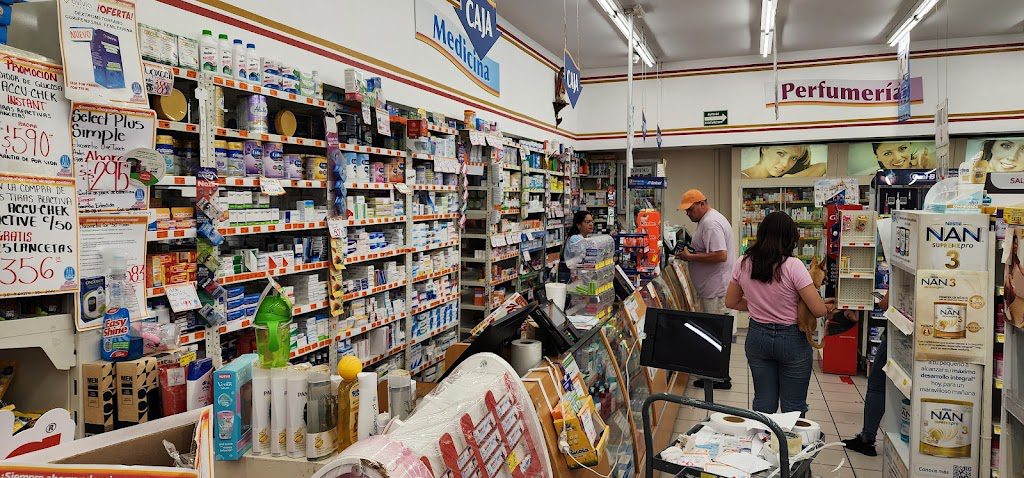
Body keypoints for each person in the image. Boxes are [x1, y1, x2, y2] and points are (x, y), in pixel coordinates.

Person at [725, 211, 833, 415]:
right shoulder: (793, 265)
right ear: (790, 238)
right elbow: (818, 310)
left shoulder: (743, 262)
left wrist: (759, 304)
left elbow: (731, 301)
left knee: (763, 405)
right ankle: (788, 437)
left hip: (757, 338)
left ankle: (764, 435)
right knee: (793, 408)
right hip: (792, 340)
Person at [675, 189, 735, 390]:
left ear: (702, 204)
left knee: (715, 333)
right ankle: (715, 373)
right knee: (714, 331)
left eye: (690, 209)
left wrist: (690, 257)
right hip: (713, 287)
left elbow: (720, 255)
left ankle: (718, 377)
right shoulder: (707, 220)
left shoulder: (711, 224)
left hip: (715, 289)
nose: (688, 214)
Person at [843, 291, 889, 456]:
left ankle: (867, 439)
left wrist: (882, 299)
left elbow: (885, 304)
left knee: (877, 386)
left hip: (898, 336)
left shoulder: (906, 275)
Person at [741, 145, 826, 179]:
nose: (785, 164)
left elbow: (823, 166)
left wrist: (792, 177)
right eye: (780, 153)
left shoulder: (778, 178)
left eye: (794, 158)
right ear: (764, 149)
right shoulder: (742, 178)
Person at [558, 211, 594, 283]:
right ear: (578, 225)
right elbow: (583, 257)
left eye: (592, 222)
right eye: (587, 222)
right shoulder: (575, 239)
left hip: (578, 275)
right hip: (572, 277)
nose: (591, 224)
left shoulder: (583, 238)